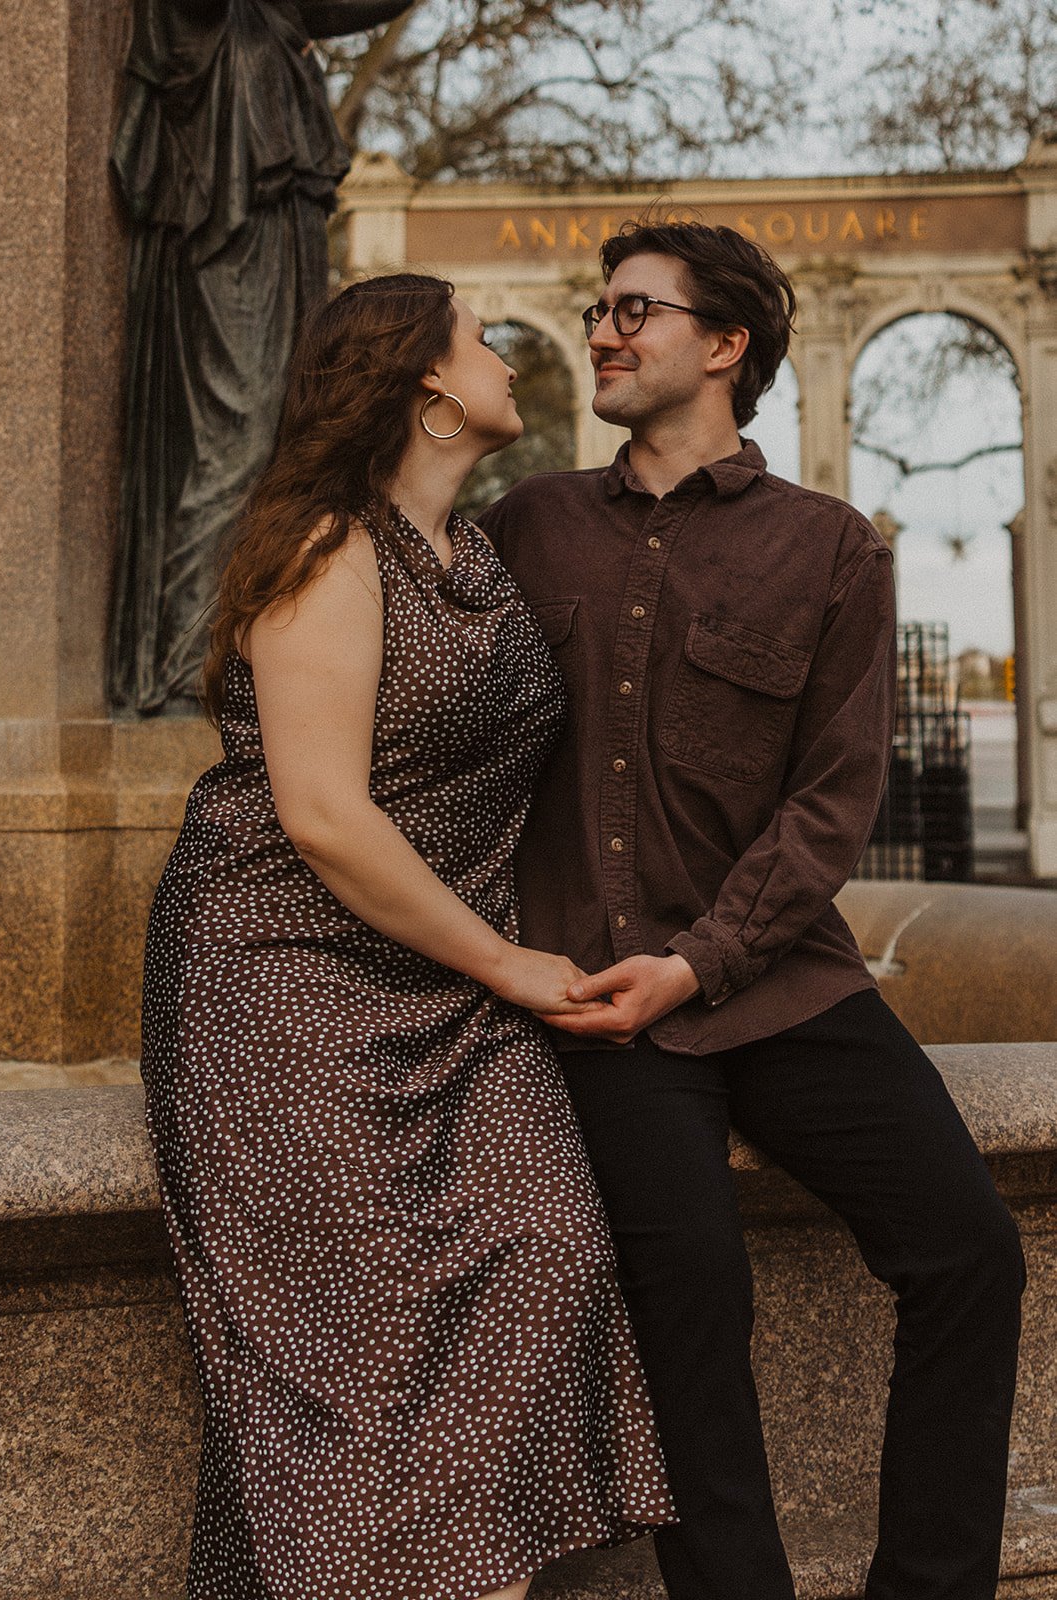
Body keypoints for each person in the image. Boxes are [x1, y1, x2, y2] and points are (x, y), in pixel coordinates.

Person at [480, 220, 1026, 1600]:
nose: (601, 332)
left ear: (723, 345)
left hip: (778, 981)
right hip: (600, 1004)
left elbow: (832, 806)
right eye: (595, 310)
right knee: (691, 1300)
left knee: (970, 1251)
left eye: (632, 311)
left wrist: (702, 958)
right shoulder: (524, 528)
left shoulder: (830, 549)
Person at [141, 272, 675, 1600]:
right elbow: (321, 813)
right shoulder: (326, 544)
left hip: (444, 975)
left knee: (547, 1255)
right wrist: (507, 963)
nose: (505, 359)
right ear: (426, 381)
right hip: (281, 973)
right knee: (358, 1358)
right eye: (481, 341)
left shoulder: (480, 554)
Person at [109, 0, 413, 715]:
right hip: (231, 187)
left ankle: (217, 666)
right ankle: (187, 670)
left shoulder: (275, 25)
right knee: (237, 435)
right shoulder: (211, 26)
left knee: (280, 435)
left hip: (269, 183)